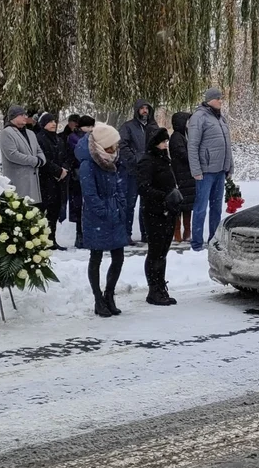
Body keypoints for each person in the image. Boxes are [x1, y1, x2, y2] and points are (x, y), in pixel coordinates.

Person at [78, 124, 128, 317]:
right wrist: (104, 212)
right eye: (112, 145)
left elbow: (119, 186)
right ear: (103, 145)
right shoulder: (88, 164)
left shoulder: (112, 161)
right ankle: (98, 299)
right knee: (96, 257)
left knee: (118, 257)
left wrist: (121, 206)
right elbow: (89, 194)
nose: (116, 149)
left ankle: (109, 294)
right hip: (97, 216)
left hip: (114, 211)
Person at [187, 88, 233, 253]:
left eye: (221, 98)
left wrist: (229, 167)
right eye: (218, 98)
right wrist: (196, 170)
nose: (221, 101)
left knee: (216, 207)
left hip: (220, 170)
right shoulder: (199, 117)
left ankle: (214, 239)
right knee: (200, 207)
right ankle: (196, 243)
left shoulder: (220, 119)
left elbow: (227, 145)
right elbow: (192, 145)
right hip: (205, 171)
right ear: (210, 100)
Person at [137, 129, 180, 306]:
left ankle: (160, 286)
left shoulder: (164, 159)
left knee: (162, 252)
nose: (165, 145)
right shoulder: (147, 161)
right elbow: (143, 187)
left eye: (166, 142)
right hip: (154, 212)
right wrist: (163, 196)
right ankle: (153, 289)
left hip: (167, 211)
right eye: (162, 142)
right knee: (155, 253)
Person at [119, 100, 159, 244]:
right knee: (130, 203)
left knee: (147, 204)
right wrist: (135, 159)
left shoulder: (154, 127)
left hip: (150, 171)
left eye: (147, 108)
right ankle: (126, 234)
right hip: (132, 171)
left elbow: (159, 145)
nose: (144, 111)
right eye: (142, 108)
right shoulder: (128, 127)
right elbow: (122, 145)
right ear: (137, 110)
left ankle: (146, 233)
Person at [35, 113, 70, 250]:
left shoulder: (59, 139)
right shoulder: (39, 139)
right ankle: (40, 240)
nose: (53, 124)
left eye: (54, 121)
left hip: (59, 181)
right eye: (49, 122)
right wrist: (57, 171)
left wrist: (64, 169)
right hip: (45, 180)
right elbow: (43, 160)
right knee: (42, 212)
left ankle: (52, 239)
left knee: (54, 212)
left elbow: (67, 156)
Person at [0, 105, 45, 204]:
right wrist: (35, 161)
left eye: (25, 114)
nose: (25, 117)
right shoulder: (6, 133)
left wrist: (42, 159)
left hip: (33, 182)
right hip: (18, 182)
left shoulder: (30, 133)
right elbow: (13, 155)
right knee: (20, 212)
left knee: (33, 213)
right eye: (21, 115)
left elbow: (39, 150)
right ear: (13, 117)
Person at [168, 112, 197, 243]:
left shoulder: (186, 135)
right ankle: (178, 234)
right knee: (179, 205)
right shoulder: (176, 137)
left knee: (187, 205)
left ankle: (187, 232)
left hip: (187, 176)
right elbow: (183, 155)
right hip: (180, 175)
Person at [67, 116, 95, 247]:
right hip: (77, 174)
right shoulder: (73, 137)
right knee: (79, 206)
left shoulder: (95, 137)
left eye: (92, 126)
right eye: (88, 126)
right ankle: (80, 235)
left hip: (91, 173)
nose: (90, 129)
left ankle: (89, 234)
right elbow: (80, 153)